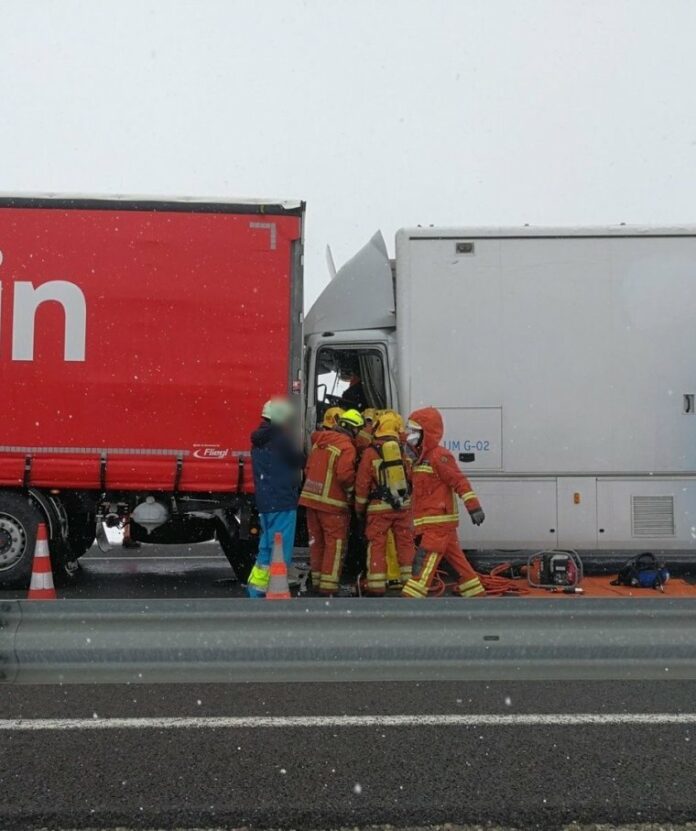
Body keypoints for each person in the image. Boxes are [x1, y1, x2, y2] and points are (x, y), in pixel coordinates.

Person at [401, 407, 486, 599]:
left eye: (414, 431)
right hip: (432, 522)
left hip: (438, 522)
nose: (410, 434)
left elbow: (459, 481)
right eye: (409, 430)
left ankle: (411, 598)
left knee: (424, 560)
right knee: (458, 562)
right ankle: (476, 594)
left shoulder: (439, 456)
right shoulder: (419, 459)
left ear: (426, 433)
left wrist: (474, 507)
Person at [299, 408, 364, 595]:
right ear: (353, 429)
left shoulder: (319, 442)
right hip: (332, 505)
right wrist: (352, 492)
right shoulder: (347, 447)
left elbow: (308, 468)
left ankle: (317, 581)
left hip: (310, 501)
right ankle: (329, 587)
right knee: (334, 545)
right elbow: (344, 475)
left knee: (317, 543)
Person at [247, 398, 305, 598]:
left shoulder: (257, 441)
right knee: (280, 550)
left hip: (265, 502)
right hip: (282, 501)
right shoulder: (281, 440)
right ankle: (277, 589)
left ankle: (256, 589)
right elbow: (300, 460)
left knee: (266, 548)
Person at [355, 411, 415, 595]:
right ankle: (409, 583)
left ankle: (376, 585)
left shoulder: (370, 452)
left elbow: (362, 483)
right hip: (402, 506)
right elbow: (411, 477)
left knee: (377, 545)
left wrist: (359, 508)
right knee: (405, 543)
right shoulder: (402, 451)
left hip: (378, 507)